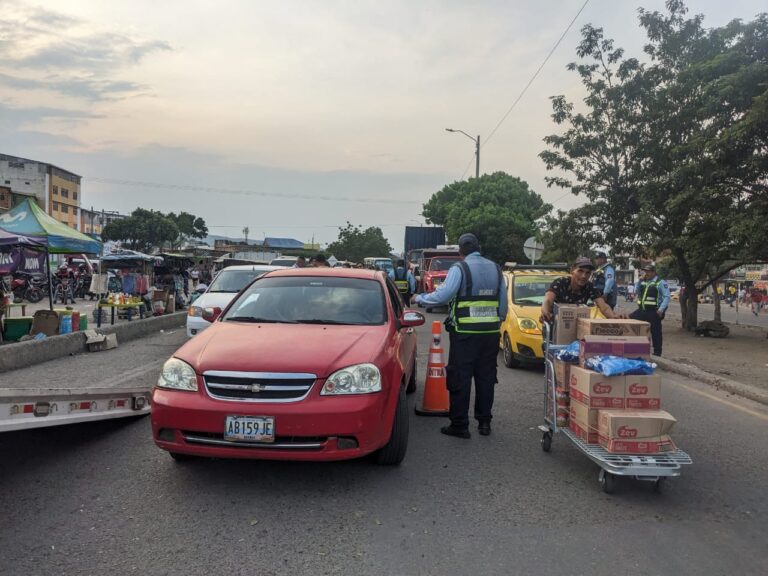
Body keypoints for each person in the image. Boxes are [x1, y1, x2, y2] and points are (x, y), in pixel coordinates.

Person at [411, 233, 507, 439]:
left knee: (460, 378)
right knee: (486, 378)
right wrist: (496, 321)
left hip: (465, 333)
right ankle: (484, 423)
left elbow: (443, 295)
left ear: (461, 251)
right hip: (490, 333)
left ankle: (460, 425)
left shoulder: (460, 268)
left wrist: (420, 298)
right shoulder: (496, 268)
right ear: (479, 248)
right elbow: (503, 304)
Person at [540, 256, 625, 323]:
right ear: (572, 270)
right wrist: (545, 312)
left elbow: (603, 306)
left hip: (577, 327)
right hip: (555, 326)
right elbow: (548, 299)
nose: (584, 276)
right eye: (580, 271)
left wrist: (614, 317)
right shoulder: (560, 282)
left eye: (588, 273)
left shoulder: (589, 287)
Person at [629, 263, 670, 357]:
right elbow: (637, 292)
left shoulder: (660, 282)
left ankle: (657, 352)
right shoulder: (644, 281)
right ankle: (634, 348)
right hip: (642, 310)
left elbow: (667, 297)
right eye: (645, 271)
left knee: (656, 332)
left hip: (654, 311)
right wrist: (639, 281)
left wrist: (661, 310)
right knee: (630, 321)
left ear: (654, 272)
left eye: (648, 271)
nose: (646, 273)